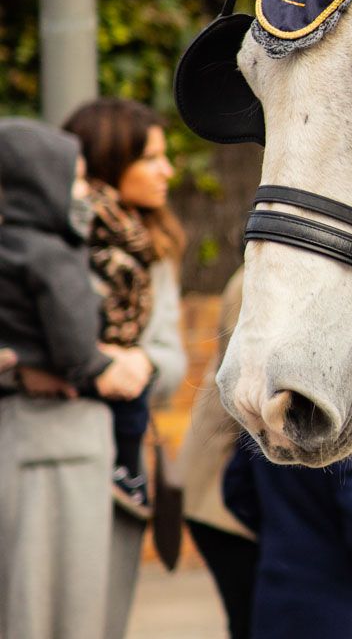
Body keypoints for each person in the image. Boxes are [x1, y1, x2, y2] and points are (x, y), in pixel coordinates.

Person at [0, 118, 151, 639]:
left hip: (43, 442)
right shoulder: (54, 255)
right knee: (55, 609)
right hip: (54, 448)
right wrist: (107, 366)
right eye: (77, 179)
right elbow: (76, 349)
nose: (87, 193)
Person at [61, 98, 189, 639]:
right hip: (50, 440)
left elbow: (174, 360)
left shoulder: (154, 249)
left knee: (104, 614)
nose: (168, 171)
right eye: (152, 158)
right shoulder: (51, 235)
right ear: (112, 161)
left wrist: (140, 362)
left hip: (123, 455)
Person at [224, 445, 352, 639]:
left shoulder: (268, 422)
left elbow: (236, 488)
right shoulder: (351, 427)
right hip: (340, 593)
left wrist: (280, 529)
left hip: (279, 585)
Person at [173, 268, 258, 639]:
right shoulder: (252, 280)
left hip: (229, 485)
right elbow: (249, 379)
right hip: (217, 489)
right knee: (249, 618)